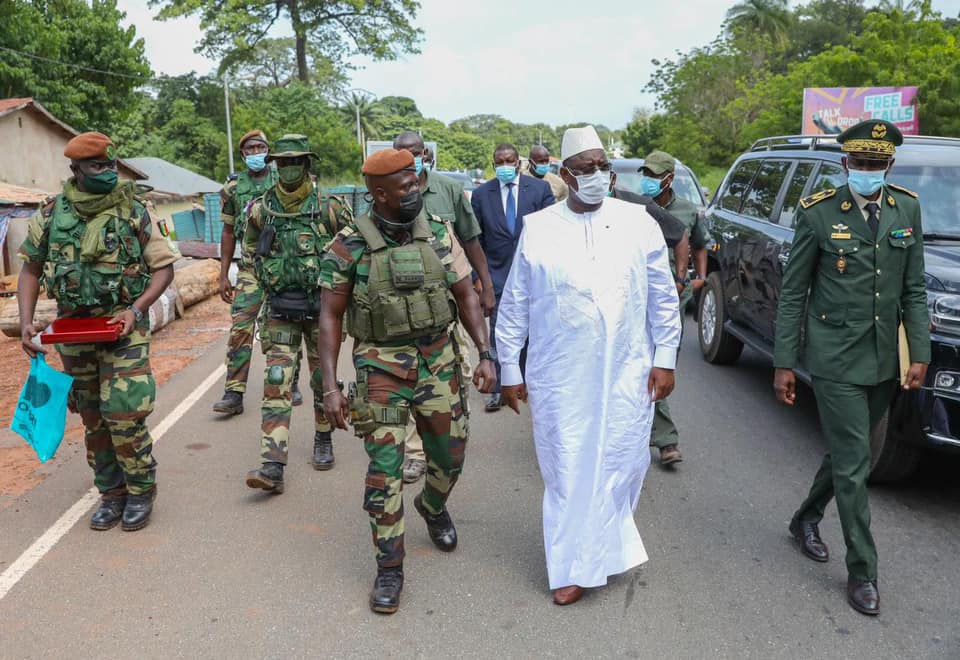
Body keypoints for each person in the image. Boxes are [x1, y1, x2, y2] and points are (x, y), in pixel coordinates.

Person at [497, 126, 681, 605]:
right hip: (560, 375)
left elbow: (663, 296)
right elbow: (515, 303)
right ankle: (570, 568)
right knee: (567, 468)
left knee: (622, 462)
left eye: (603, 166)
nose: (598, 176)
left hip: (627, 370)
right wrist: (509, 371)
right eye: (586, 169)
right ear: (565, 174)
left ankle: (602, 550)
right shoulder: (539, 228)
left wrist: (665, 358)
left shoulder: (638, 222)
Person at [317, 148, 495, 614]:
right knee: (384, 473)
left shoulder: (438, 233)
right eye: (406, 187)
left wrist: (486, 352)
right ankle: (389, 568)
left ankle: (432, 507)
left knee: (450, 456)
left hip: (438, 362)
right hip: (381, 368)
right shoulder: (349, 244)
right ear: (379, 194)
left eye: (417, 182)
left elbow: (467, 295)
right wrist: (330, 386)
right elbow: (330, 316)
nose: (416, 190)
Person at [773, 119, 929, 616]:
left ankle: (805, 518)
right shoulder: (819, 214)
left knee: (850, 452)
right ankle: (863, 571)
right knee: (857, 465)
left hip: (885, 356)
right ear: (845, 165)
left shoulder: (907, 207)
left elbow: (914, 289)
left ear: (889, 165)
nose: (866, 171)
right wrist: (785, 363)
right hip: (835, 356)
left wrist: (920, 352)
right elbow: (794, 293)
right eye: (859, 164)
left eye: (876, 164)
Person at [17, 132, 179, 532]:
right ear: (75, 169)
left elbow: (163, 268)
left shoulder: (133, 210)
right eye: (97, 166)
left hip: (123, 326)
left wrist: (135, 309)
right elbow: (31, 269)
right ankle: (111, 493)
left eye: (111, 165)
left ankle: (141, 489)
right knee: (92, 416)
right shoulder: (53, 214)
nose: (108, 173)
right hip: (73, 331)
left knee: (123, 413)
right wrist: (25, 322)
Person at [242, 134, 353, 492]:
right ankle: (272, 463)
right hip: (280, 309)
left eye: (296, 162)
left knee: (324, 380)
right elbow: (250, 252)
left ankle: (324, 437)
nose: (289, 168)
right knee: (276, 380)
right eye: (283, 162)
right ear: (275, 165)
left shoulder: (328, 207)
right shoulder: (261, 209)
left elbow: (354, 250)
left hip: (322, 312)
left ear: (306, 165)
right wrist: (265, 281)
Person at [393, 131, 494, 484]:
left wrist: (486, 285)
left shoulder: (448, 190)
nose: (411, 160)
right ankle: (416, 452)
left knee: (459, 370)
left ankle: (447, 431)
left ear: (427, 156)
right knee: (405, 375)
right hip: (404, 305)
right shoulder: (385, 192)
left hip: (450, 300)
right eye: (402, 154)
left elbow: (469, 238)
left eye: (416, 153)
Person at [212, 130, 304, 415]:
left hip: (284, 267)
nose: (255, 153)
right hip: (251, 268)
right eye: (250, 149)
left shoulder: (285, 181)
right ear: (243, 155)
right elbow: (228, 232)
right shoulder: (232, 188)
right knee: (241, 327)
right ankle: (233, 393)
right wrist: (223, 272)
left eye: (260, 147)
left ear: (269, 151)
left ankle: (291, 381)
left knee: (285, 324)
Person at [638, 150, 711, 466]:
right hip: (638, 295)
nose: (648, 181)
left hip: (673, 297)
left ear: (669, 178)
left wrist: (698, 278)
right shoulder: (637, 208)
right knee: (647, 362)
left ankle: (647, 430)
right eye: (646, 175)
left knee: (664, 362)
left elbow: (699, 244)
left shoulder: (687, 210)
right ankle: (667, 440)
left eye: (654, 176)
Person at [471, 142, 555, 412]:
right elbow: (476, 240)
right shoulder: (482, 194)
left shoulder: (540, 190)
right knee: (499, 333)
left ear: (518, 163)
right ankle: (497, 388)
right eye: (500, 162)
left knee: (535, 332)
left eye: (510, 161)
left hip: (534, 276)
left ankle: (531, 381)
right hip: (497, 276)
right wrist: (479, 279)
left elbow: (552, 234)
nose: (505, 166)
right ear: (493, 164)